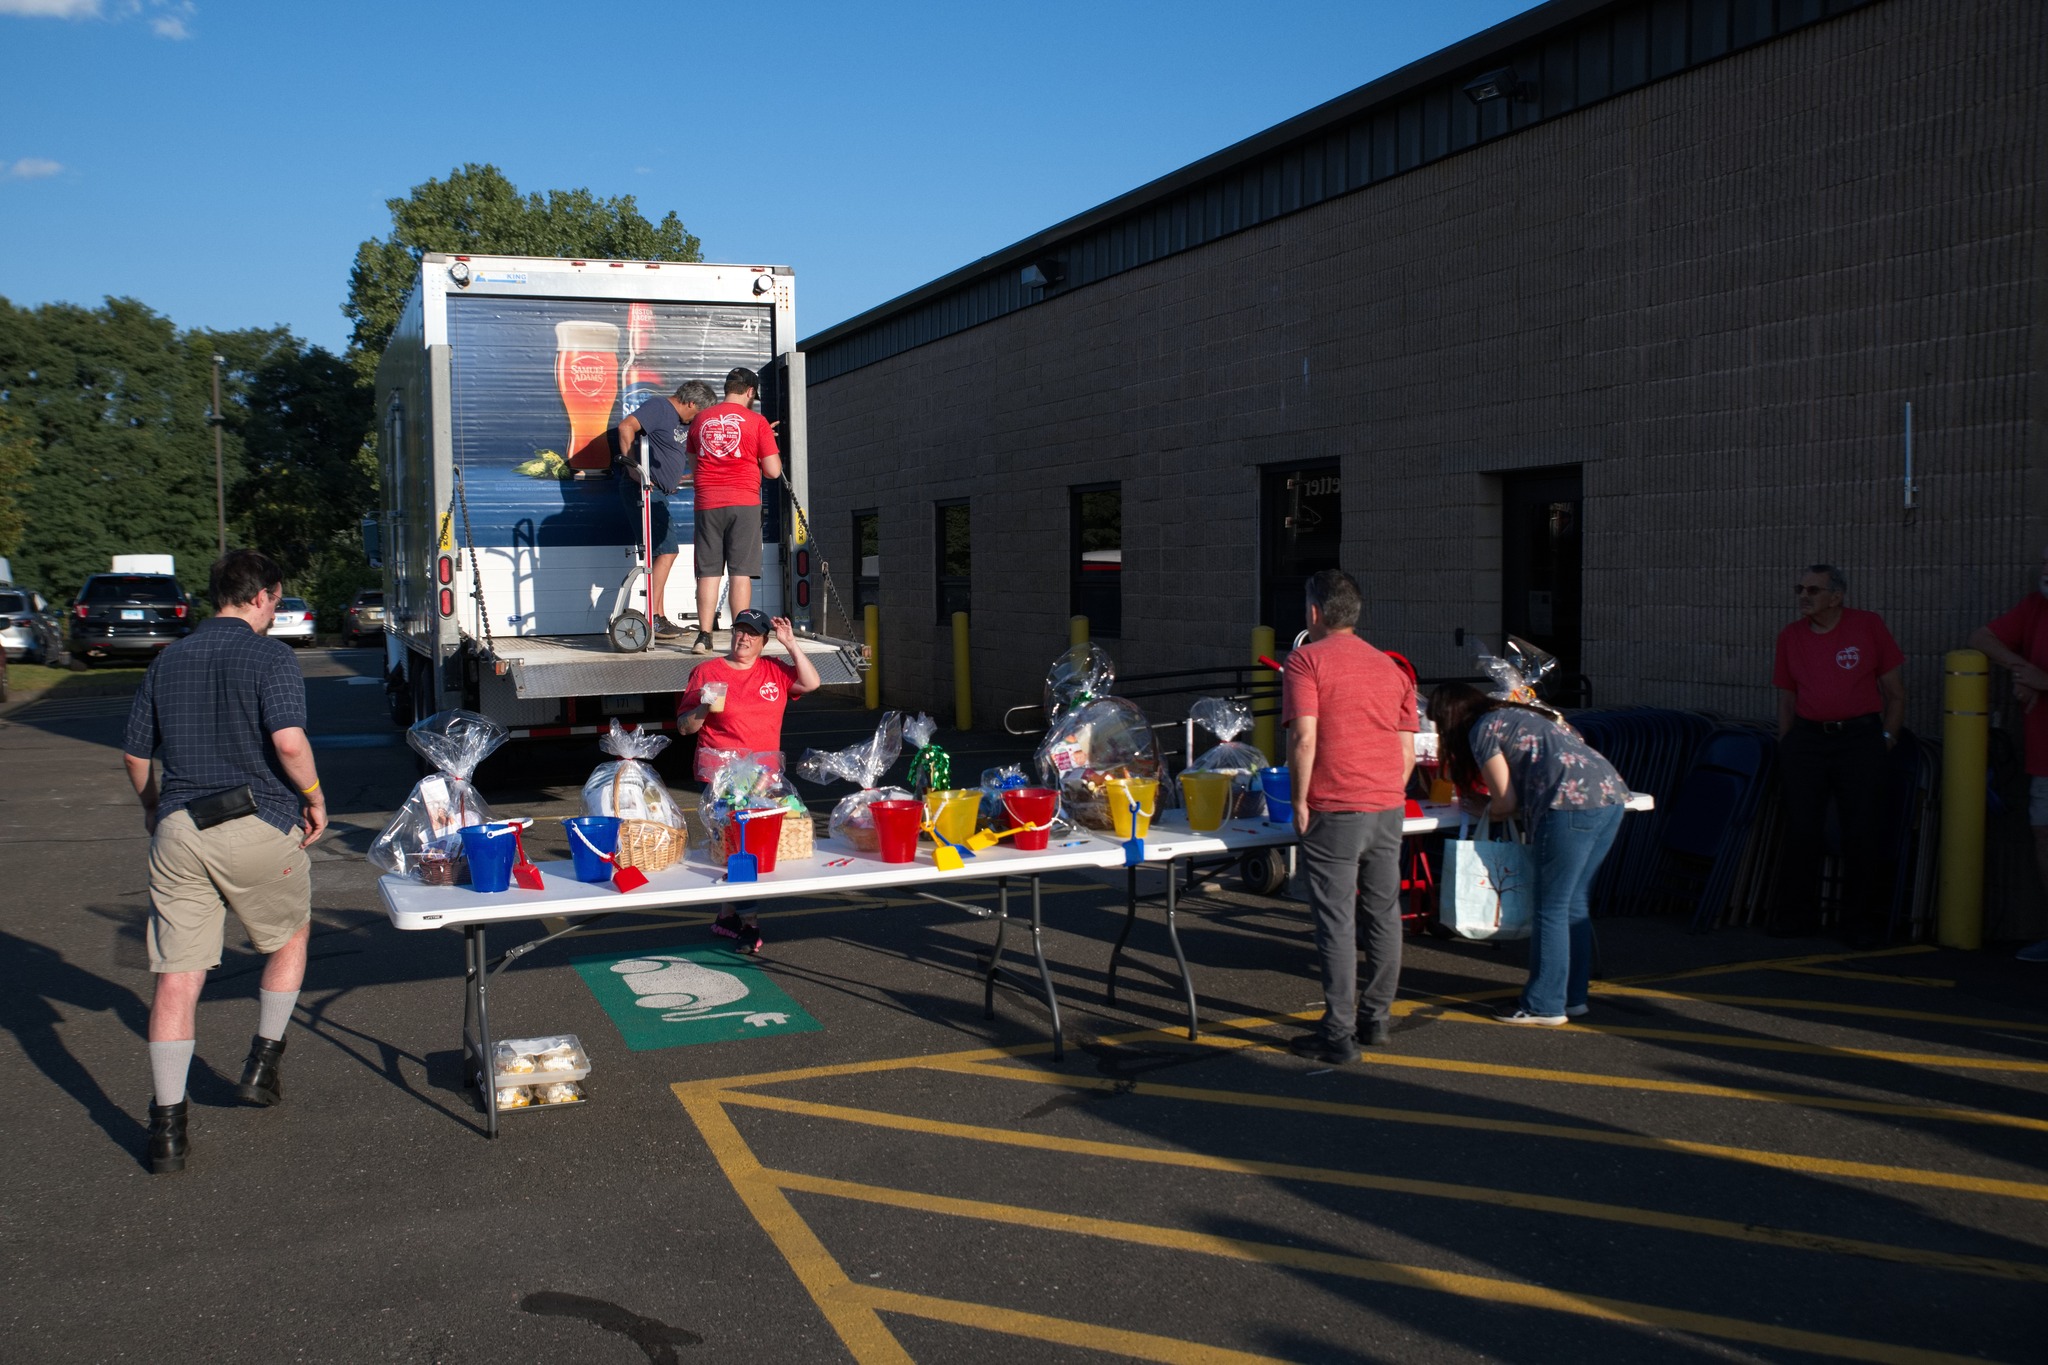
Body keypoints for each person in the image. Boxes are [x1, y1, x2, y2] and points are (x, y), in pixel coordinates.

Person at [120, 550, 327, 1174]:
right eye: (276, 601)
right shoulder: (270, 656)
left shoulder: (168, 658)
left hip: (181, 828)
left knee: (177, 979)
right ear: (264, 595)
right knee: (289, 935)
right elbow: (289, 741)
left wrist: (156, 810)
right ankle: (262, 1065)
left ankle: (167, 1131)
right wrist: (315, 800)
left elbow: (134, 756)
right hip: (256, 821)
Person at [1428, 682, 1629, 1024]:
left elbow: (1504, 802)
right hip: (1611, 796)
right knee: (1573, 904)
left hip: (1566, 806)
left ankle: (1543, 1004)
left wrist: (1485, 808)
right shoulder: (1517, 713)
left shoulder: (1481, 730)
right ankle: (1572, 997)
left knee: (1549, 908)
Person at [1280, 569, 1417, 1064]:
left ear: (1315, 613)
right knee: (1383, 914)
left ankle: (1338, 1032)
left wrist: (1299, 800)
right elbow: (1406, 749)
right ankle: (1375, 1018)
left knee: (1336, 920)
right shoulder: (1391, 668)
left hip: (1335, 807)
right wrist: (1386, 790)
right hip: (1387, 806)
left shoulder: (1305, 661)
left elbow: (1304, 737)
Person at [1768, 564, 1906, 943]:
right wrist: (1788, 742)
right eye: (1800, 588)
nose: (1803, 596)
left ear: (1836, 596)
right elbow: (1787, 697)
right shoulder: (1791, 636)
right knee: (1802, 827)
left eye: (1813, 590)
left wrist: (1888, 737)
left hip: (1859, 738)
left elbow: (1894, 691)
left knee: (1861, 828)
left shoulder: (1867, 626)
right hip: (1808, 739)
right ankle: (1797, 916)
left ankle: (1856, 921)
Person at [678, 607, 822, 952]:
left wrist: (791, 644)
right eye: (739, 631)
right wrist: (703, 707)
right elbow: (685, 727)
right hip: (720, 778)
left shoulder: (774, 671)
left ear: (763, 641)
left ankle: (727, 917)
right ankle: (749, 924)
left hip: (763, 780)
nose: (743, 638)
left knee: (741, 850)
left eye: (752, 634)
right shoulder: (707, 671)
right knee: (741, 851)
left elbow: (812, 683)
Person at [1969, 546, 2048, 962]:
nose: (2047, 570)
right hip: (2043, 756)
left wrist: (2043, 680)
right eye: (2046, 561)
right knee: (2043, 838)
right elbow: (1981, 639)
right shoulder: (2035, 607)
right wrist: (2023, 671)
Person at [684, 367, 783, 654]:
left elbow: (694, 465)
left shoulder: (700, 419)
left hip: (707, 502)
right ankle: (740, 635)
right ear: (751, 392)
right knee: (740, 573)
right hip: (744, 501)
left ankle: (703, 637)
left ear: (727, 387)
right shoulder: (757, 421)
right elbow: (774, 471)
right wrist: (766, 443)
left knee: (709, 573)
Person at [614, 379, 718, 644]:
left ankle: (657, 616)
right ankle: (654, 616)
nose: (695, 420)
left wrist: (679, 477)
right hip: (646, 490)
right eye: (697, 413)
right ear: (691, 403)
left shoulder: (678, 419)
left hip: (660, 493)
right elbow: (626, 426)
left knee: (662, 552)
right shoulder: (660, 407)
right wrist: (632, 467)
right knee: (668, 551)